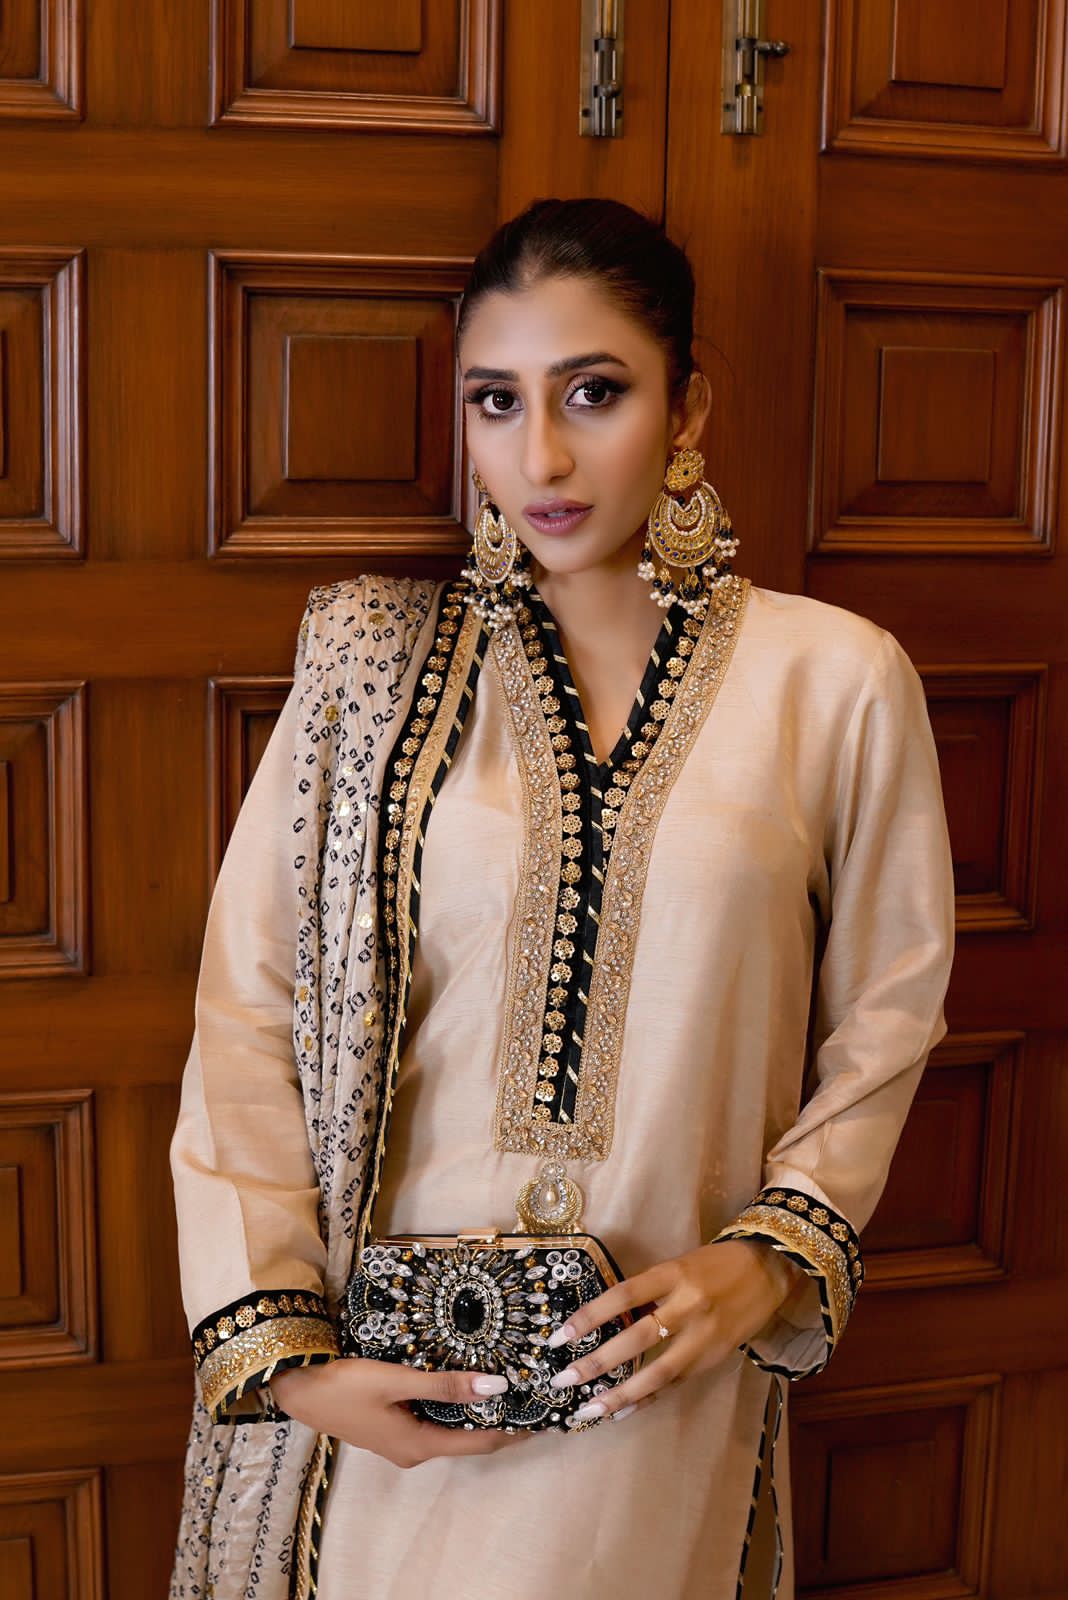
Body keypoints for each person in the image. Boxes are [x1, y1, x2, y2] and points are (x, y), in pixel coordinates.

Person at [169, 197, 955, 1600]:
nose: (539, 456)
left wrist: (771, 1261)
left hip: (664, 1382)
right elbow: (249, 1011)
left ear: (686, 407)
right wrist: (294, 1366)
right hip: (395, 1408)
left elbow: (888, 1017)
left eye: (594, 392)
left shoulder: (834, 680)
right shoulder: (370, 682)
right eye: (498, 400)